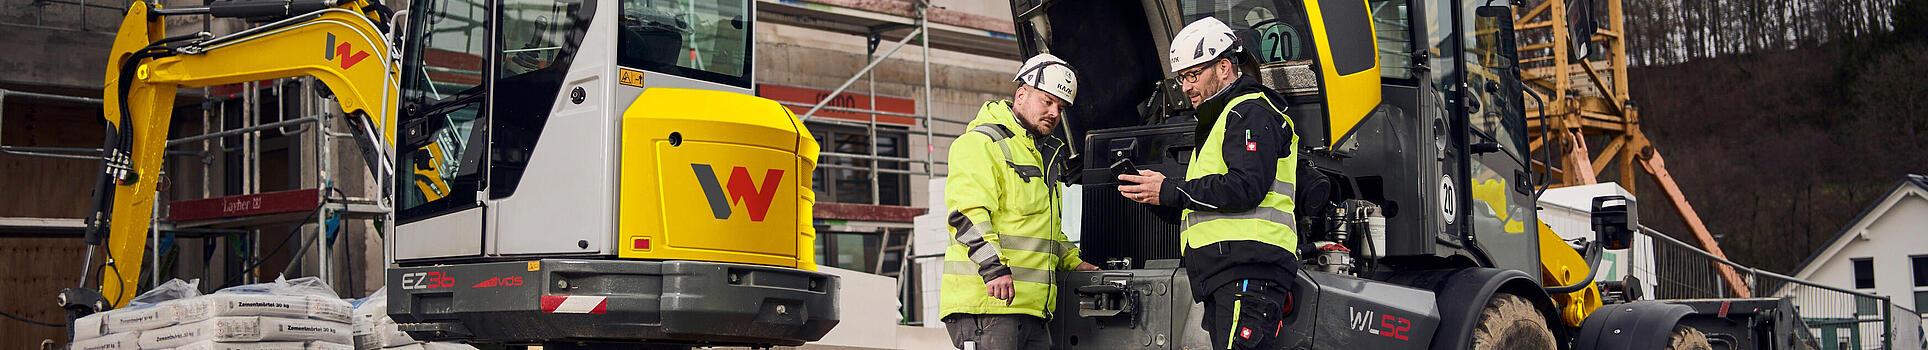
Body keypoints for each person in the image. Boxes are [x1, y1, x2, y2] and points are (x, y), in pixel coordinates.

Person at [1117, 17, 1301, 350]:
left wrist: (1171, 190)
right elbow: (1208, 206)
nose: (1185, 87)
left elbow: (1246, 187)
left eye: (1192, 74)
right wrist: (1159, 197)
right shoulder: (1224, 118)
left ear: (1225, 67)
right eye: (1181, 78)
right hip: (1227, 273)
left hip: (1249, 269)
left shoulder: (1250, 112)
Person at [940, 53, 1101, 350]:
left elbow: (1042, 229)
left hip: (1031, 309)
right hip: (988, 306)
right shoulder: (981, 144)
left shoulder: (1041, 154)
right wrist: (994, 269)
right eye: (1047, 101)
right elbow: (966, 215)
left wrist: (1073, 262)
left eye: (1060, 107)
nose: (1054, 112)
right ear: (1022, 94)